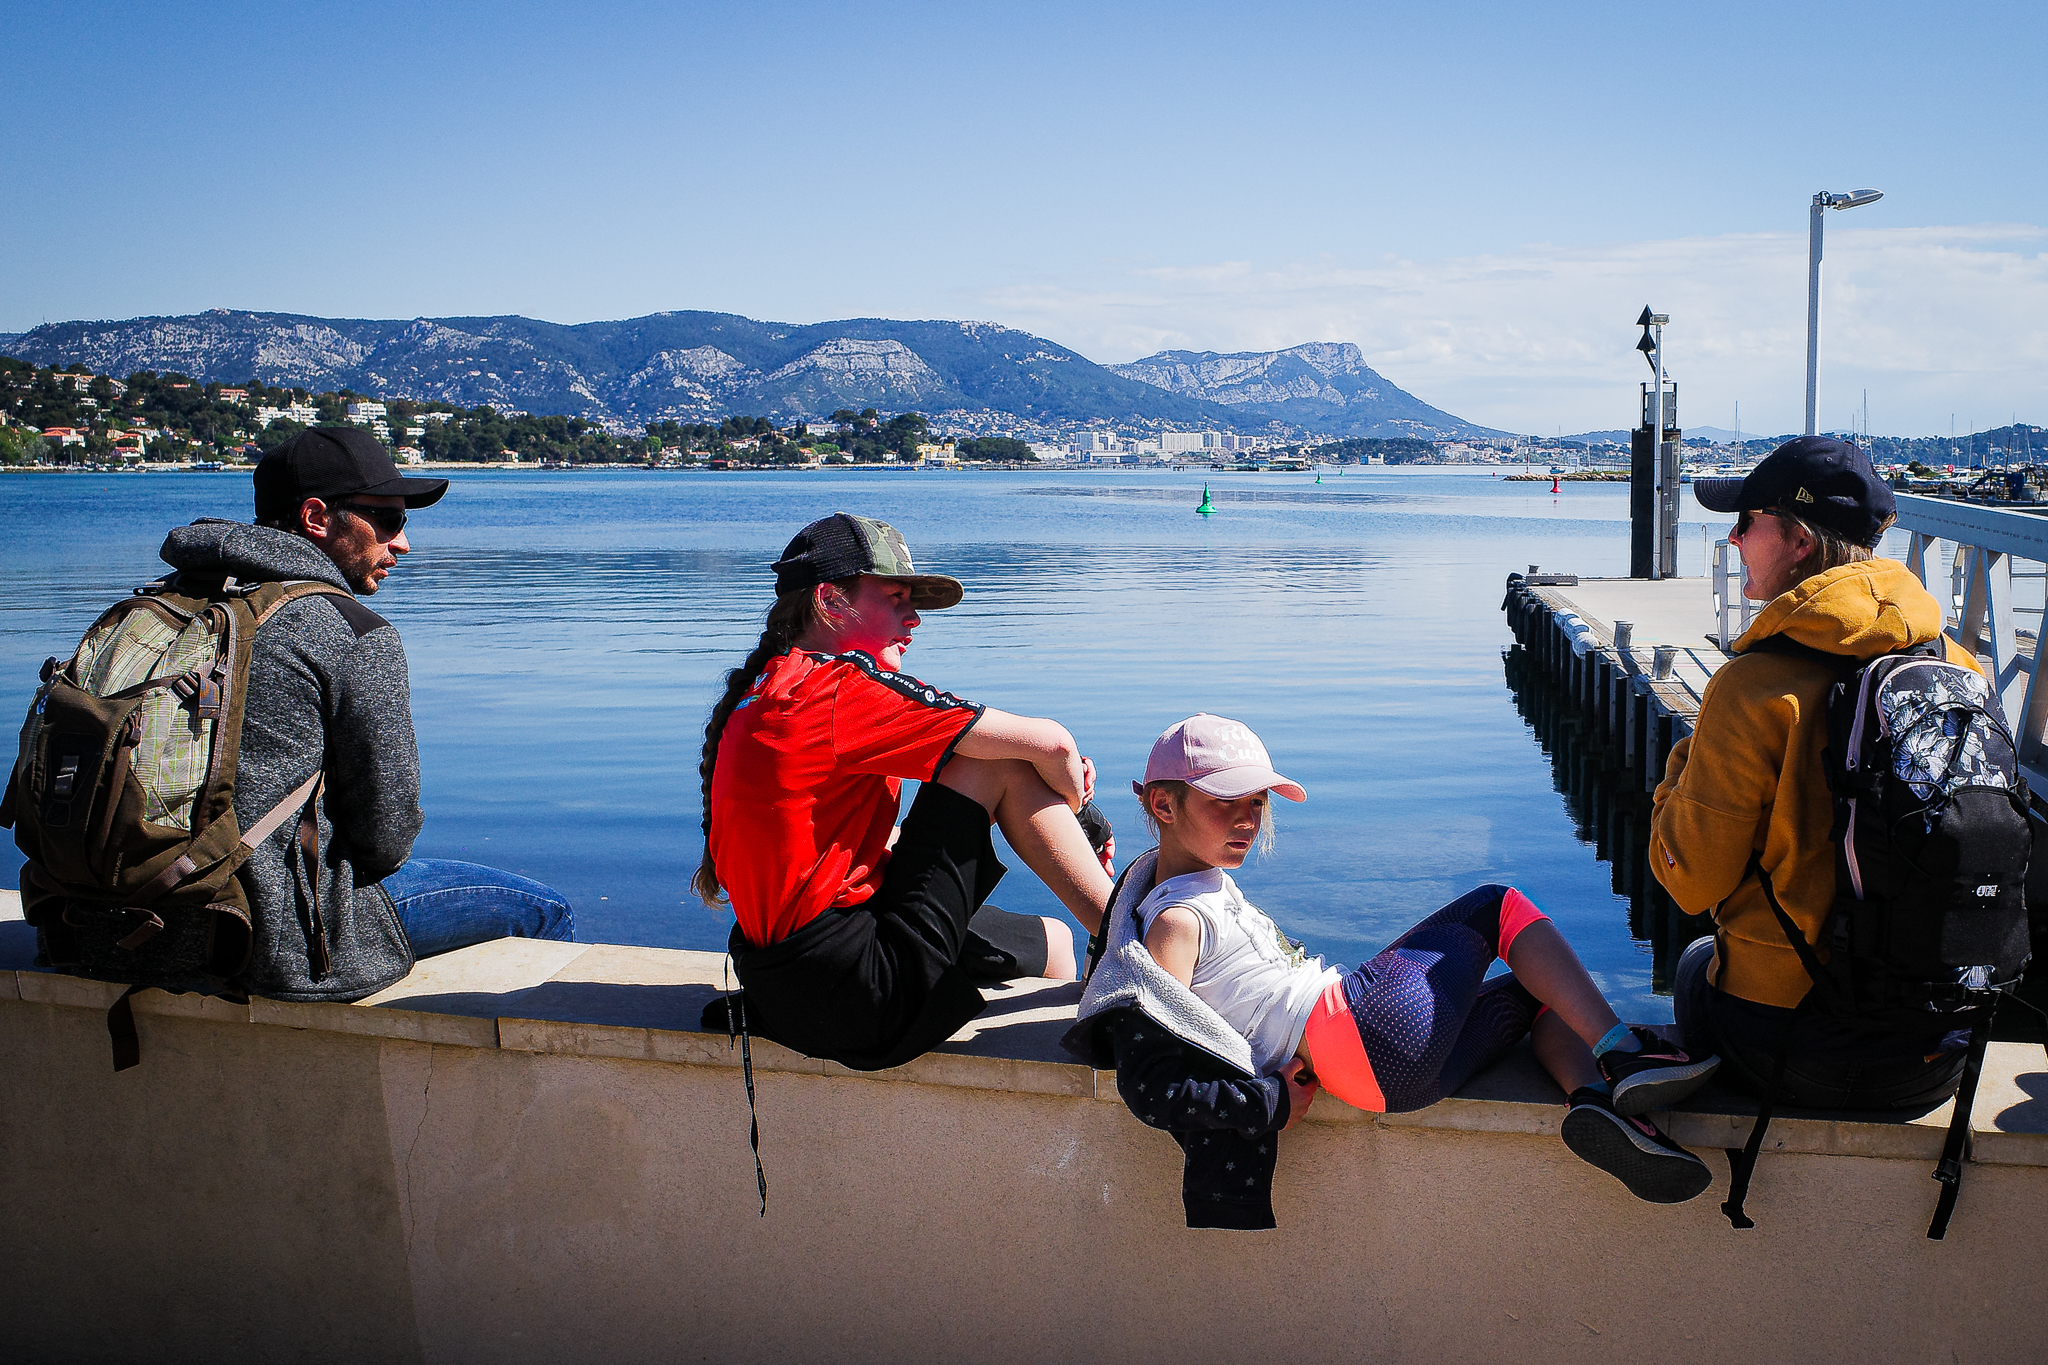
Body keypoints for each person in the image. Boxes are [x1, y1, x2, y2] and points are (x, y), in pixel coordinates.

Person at [1067, 714, 1721, 1229]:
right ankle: (1627, 1052)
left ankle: (1599, 1104)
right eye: (1225, 802)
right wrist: (1264, 1102)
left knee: (1536, 990)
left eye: (1258, 803)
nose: (1248, 819)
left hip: (1383, 1082)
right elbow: (1147, 1078)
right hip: (1360, 1029)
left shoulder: (1195, 885)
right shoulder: (1175, 921)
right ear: (1162, 804)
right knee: (1498, 906)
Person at [158, 426, 573, 1001]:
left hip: (110, 922)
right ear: (316, 518)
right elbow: (387, 836)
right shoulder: (349, 632)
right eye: (390, 522)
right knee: (547, 911)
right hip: (260, 939)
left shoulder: (163, 608)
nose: (402, 544)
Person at [694, 512, 1115, 1072]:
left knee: (1052, 941)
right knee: (1000, 764)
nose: (914, 618)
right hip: (858, 993)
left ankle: (1101, 948)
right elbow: (1052, 745)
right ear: (829, 601)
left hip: (786, 987)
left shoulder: (767, 691)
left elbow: (838, 844)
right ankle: (1137, 948)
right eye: (895, 598)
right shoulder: (837, 690)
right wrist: (1073, 809)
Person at [1654, 435, 1981, 1109]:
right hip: (1937, 1052)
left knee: (1693, 963)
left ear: (1799, 541)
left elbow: (1689, 879)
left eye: (1747, 523)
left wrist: (1682, 764)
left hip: (1792, 1050)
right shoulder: (1957, 667)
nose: (1735, 540)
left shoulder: (1752, 689)